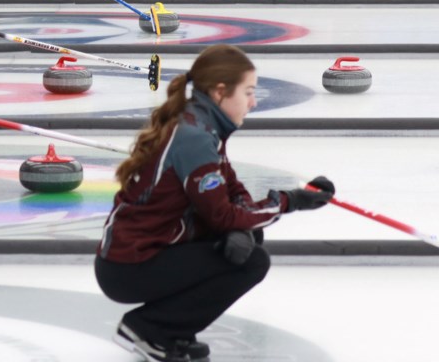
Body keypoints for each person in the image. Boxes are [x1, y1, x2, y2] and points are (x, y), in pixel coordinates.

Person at [95, 44, 335, 362]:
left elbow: (232, 189)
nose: (254, 102)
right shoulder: (194, 137)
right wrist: (291, 202)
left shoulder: (202, 126)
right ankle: (149, 329)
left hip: (139, 255)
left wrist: (292, 197)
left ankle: (171, 329)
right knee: (251, 261)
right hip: (129, 266)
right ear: (221, 92)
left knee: (247, 239)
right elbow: (222, 216)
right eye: (248, 92)